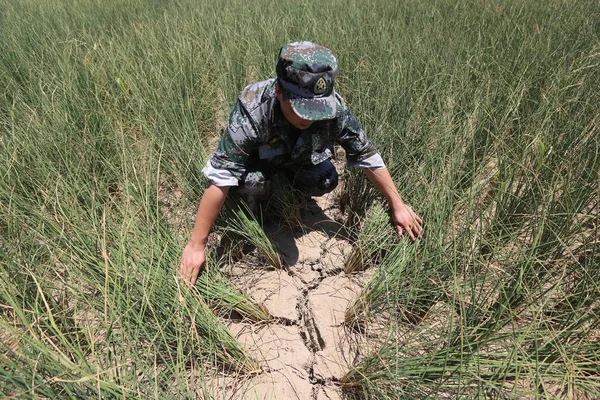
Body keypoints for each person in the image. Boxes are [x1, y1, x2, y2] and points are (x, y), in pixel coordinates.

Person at [179, 41, 422, 286]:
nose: (309, 118)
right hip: (260, 166)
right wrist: (196, 245)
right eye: (302, 109)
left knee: (325, 179)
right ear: (279, 92)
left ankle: (289, 193)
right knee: (252, 185)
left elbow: (366, 155)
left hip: (298, 161)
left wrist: (397, 204)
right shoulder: (253, 108)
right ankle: (261, 212)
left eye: (317, 110)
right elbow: (221, 176)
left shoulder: (333, 108)